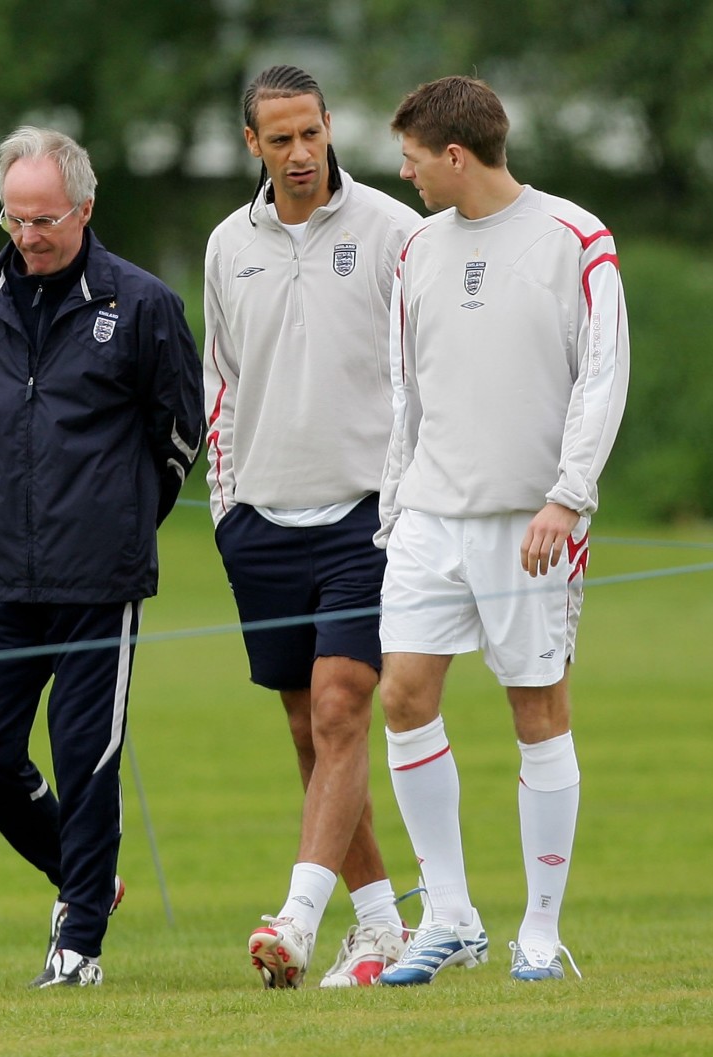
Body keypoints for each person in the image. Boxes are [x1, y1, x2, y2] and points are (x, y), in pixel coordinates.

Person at [374, 75, 629, 985]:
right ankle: (449, 916)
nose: (404, 176)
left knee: (537, 712)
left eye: (411, 159)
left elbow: (601, 377)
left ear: (454, 155)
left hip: (533, 520)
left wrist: (568, 497)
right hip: (428, 520)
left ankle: (540, 932)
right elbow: (406, 388)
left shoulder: (576, 239)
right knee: (402, 696)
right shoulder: (416, 252)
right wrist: (394, 502)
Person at [0, 126, 203, 989]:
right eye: (15, 217)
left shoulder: (141, 305)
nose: (29, 234)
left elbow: (179, 434)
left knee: (84, 755)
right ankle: (82, 875)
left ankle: (79, 942)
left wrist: (121, 516)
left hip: (100, 576)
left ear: (85, 208)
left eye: (46, 217)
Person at [203, 65, 421, 990]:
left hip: (366, 517)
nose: (300, 154)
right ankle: (379, 928)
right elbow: (221, 378)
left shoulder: (393, 232)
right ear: (251, 144)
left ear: (332, 127)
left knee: (340, 707)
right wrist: (226, 510)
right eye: (279, 139)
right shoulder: (226, 244)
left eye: (312, 134)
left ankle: (295, 919)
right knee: (309, 730)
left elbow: (426, 375)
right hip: (260, 518)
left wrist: (409, 499)